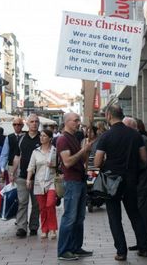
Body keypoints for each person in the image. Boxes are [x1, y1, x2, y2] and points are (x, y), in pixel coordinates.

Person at [94, 105, 147, 261]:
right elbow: (144, 159)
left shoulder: (106, 136)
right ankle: (144, 247)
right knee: (135, 214)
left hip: (112, 181)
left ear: (109, 116)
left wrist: (108, 162)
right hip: (131, 179)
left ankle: (121, 251)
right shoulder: (135, 134)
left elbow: (98, 162)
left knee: (114, 217)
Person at [56, 112, 93, 261]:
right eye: (75, 120)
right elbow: (68, 162)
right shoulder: (63, 139)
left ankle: (76, 247)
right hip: (72, 181)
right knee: (70, 217)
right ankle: (64, 250)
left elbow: (81, 160)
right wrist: (83, 150)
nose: (78, 123)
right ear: (67, 122)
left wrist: (86, 151)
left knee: (79, 217)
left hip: (80, 180)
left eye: (79, 120)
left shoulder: (74, 137)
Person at [123, 117, 147, 252]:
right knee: (138, 214)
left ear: (131, 127)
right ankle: (142, 241)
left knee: (144, 213)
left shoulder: (143, 140)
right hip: (136, 184)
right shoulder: (134, 140)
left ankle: (146, 241)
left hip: (143, 184)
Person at [10, 114, 41, 238]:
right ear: (27, 124)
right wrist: (13, 172)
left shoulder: (42, 138)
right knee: (22, 202)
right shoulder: (22, 139)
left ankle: (33, 226)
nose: (34, 123)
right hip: (23, 176)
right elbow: (17, 156)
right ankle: (21, 227)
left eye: (36, 121)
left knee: (36, 204)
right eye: (32, 121)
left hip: (38, 178)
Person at [26, 129, 57, 240]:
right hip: (39, 183)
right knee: (42, 207)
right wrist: (28, 179)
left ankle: (53, 229)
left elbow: (60, 166)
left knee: (50, 204)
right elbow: (31, 167)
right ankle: (44, 229)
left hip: (51, 181)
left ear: (49, 138)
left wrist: (53, 165)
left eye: (44, 136)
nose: (41, 138)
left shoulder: (54, 151)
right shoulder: (36, 152)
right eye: (41, 136)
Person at [0, 117, 25, 184]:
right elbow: (4, 153)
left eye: (19, 124)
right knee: (11, 187)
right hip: (11, 166)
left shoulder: (25, 136)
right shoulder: (9, 137)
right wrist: (2, 169)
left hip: (23, 166)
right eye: (14, 124)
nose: (16, 126)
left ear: (22, 125)